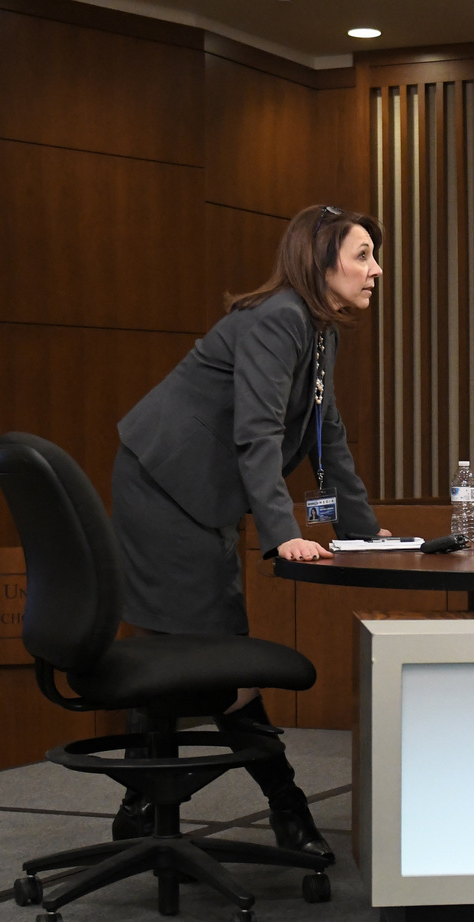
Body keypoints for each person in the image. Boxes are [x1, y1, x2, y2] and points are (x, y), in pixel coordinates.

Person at [110, 204, 386, 862]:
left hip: (201, 499)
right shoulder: (279, 319)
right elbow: (257, 431)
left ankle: (141, 808)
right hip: (162, 488)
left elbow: (328, 439)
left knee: (197, 651)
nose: (376, 270)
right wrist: (280, 532)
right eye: (363, 255)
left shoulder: (320, 332)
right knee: (219, 651)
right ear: (321, 262)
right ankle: (283, 806)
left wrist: (367, 533)